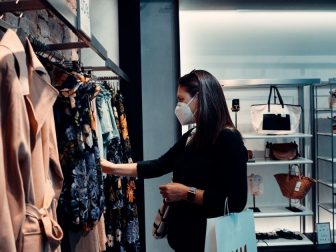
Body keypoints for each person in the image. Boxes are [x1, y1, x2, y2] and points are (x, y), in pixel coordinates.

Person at [100, 69, 248, 252]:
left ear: (200, 98)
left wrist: (187, 193)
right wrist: (112, 168)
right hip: (186, 240)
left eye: (181, 99)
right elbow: (159, 165)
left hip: (211, 243)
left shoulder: (228, 139)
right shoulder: (193, 136)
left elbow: (236, 202)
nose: (178, 106)